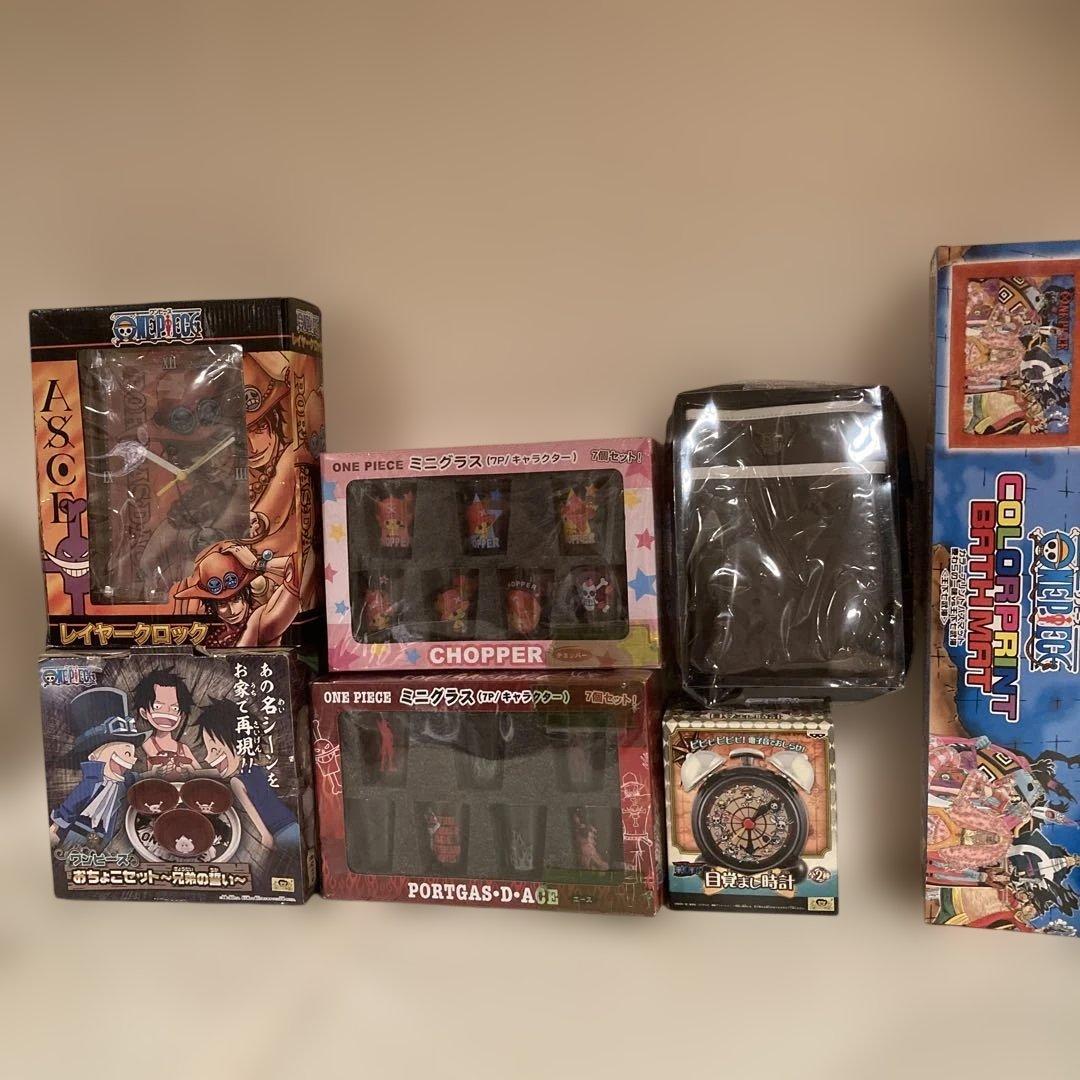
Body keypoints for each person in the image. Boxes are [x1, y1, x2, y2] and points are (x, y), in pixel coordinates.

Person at [194, 697, 299, 851]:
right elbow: (220, 772)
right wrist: (194, 772)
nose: (208, 758)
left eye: (214, 749)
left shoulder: (236, 782)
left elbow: (252, 812)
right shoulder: (255, 768)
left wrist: (265, 836)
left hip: (280, 833)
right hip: (292, 823)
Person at [49, 687, 141, 849]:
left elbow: (136, 779)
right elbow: (71, 805)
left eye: (131, 753)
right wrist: (54, 829)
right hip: (78, 832)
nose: (131, 759)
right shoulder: (91, 783)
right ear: (94, 756)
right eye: (126, 752)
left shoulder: (122, 782)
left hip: (105, 836)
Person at [133, 670, 201, 775]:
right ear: (144, 713)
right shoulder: (147, 744)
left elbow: (201, 773)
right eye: (157, 707)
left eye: (174, 708)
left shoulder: (184, 748)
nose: (167, 713)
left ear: (181, 715)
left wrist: (190, 771)